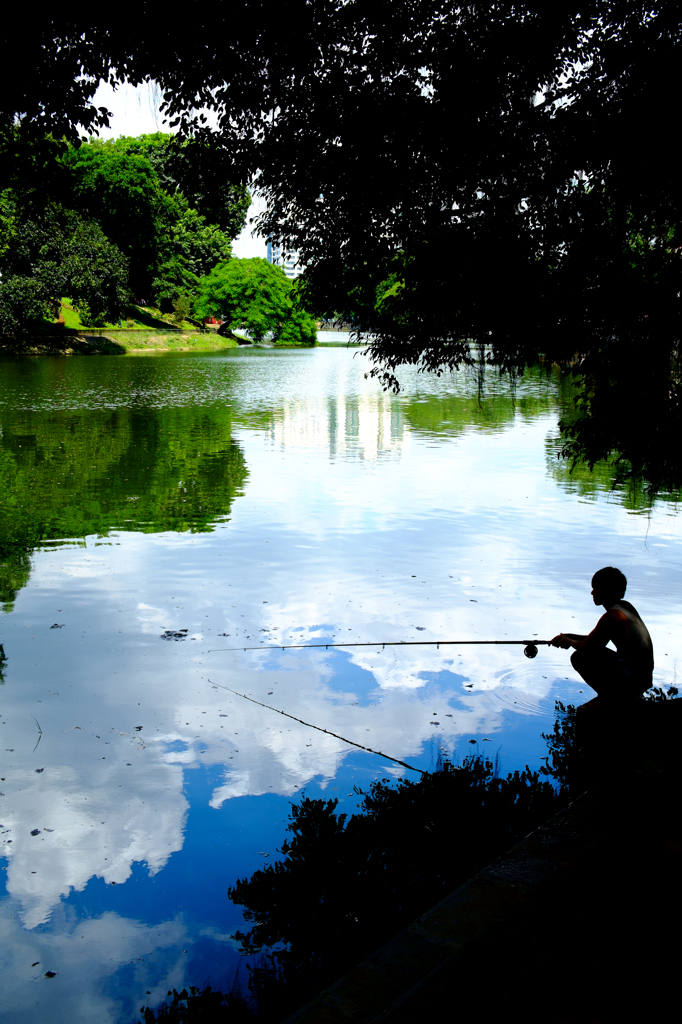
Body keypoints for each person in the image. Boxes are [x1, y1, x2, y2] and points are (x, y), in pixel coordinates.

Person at [551, 567, 653, 701]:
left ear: (606, 590)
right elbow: (595, 640)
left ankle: (611, 698)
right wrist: (570, 636)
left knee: (579, 657)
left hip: (632, 683)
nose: (592, 592)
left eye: (595, 588)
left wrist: (569, 642)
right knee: (590, 651)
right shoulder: (626, 607)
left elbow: (587, 648)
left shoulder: (613, 616)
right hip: (643, 680)